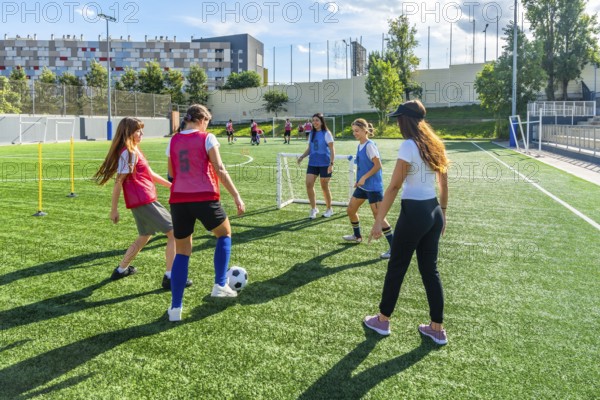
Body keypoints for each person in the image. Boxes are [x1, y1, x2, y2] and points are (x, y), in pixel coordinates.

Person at [363, 100, 449, 345]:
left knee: (397, 267)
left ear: (406, 120)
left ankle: (382, 320)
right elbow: (444, 184)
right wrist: (443, 213)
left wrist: (378, 221)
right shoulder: (435, 143)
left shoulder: (409, 145)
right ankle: (437, 328)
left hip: (414, 213)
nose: (397, 123)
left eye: (398, 118)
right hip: (433, 210)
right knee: (430, 270)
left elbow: (394, 186)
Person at [167, 104, 245, 322]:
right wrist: (237, 195)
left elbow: (171, 173)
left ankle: (175, 308)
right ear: (201, 120)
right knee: (224, 233)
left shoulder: (172, 140)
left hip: (178, 200)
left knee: (182, 252)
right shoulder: (207, 138)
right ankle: (220, 284)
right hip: (204, 196)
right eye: (207, 122)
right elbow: (219, 169)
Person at [94, 117, 192, 290]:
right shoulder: (129, 153)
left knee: (144, 236)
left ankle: (121, 269)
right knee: (174, 233)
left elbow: (151, 173)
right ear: (128, 133)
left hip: (142, 200)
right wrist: (114, 209)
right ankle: (170, 277)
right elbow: (119, 182)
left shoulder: (134, 150)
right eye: (138, 130)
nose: (141, 133)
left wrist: (171, 186)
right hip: (143, 200)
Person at [343, 118, 394, 259]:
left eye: (357, 131)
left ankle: (394, 248)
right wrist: (360, 180)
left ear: (365, 130)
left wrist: (364, 177)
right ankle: (357, 236)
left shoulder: (370, 145)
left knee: (379, 217)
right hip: (363, 187)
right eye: (353, 131)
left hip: (374, 188)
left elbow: (378, 165)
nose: (355, 133)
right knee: (350, 210)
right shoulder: (360, 145)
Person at [297, 113, 335, 219]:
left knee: (324, 186)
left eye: (317, 120)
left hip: (325, 164)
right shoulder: (312, 133)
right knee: (309, 184)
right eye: (313, 120)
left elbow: (332, 149)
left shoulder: (327, 133)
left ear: (322, 121)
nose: (315, 122)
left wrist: (331, 164)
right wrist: (302, 156)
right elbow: (310, 149)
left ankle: (329, 209)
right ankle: (314, 209)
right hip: (313, 163)